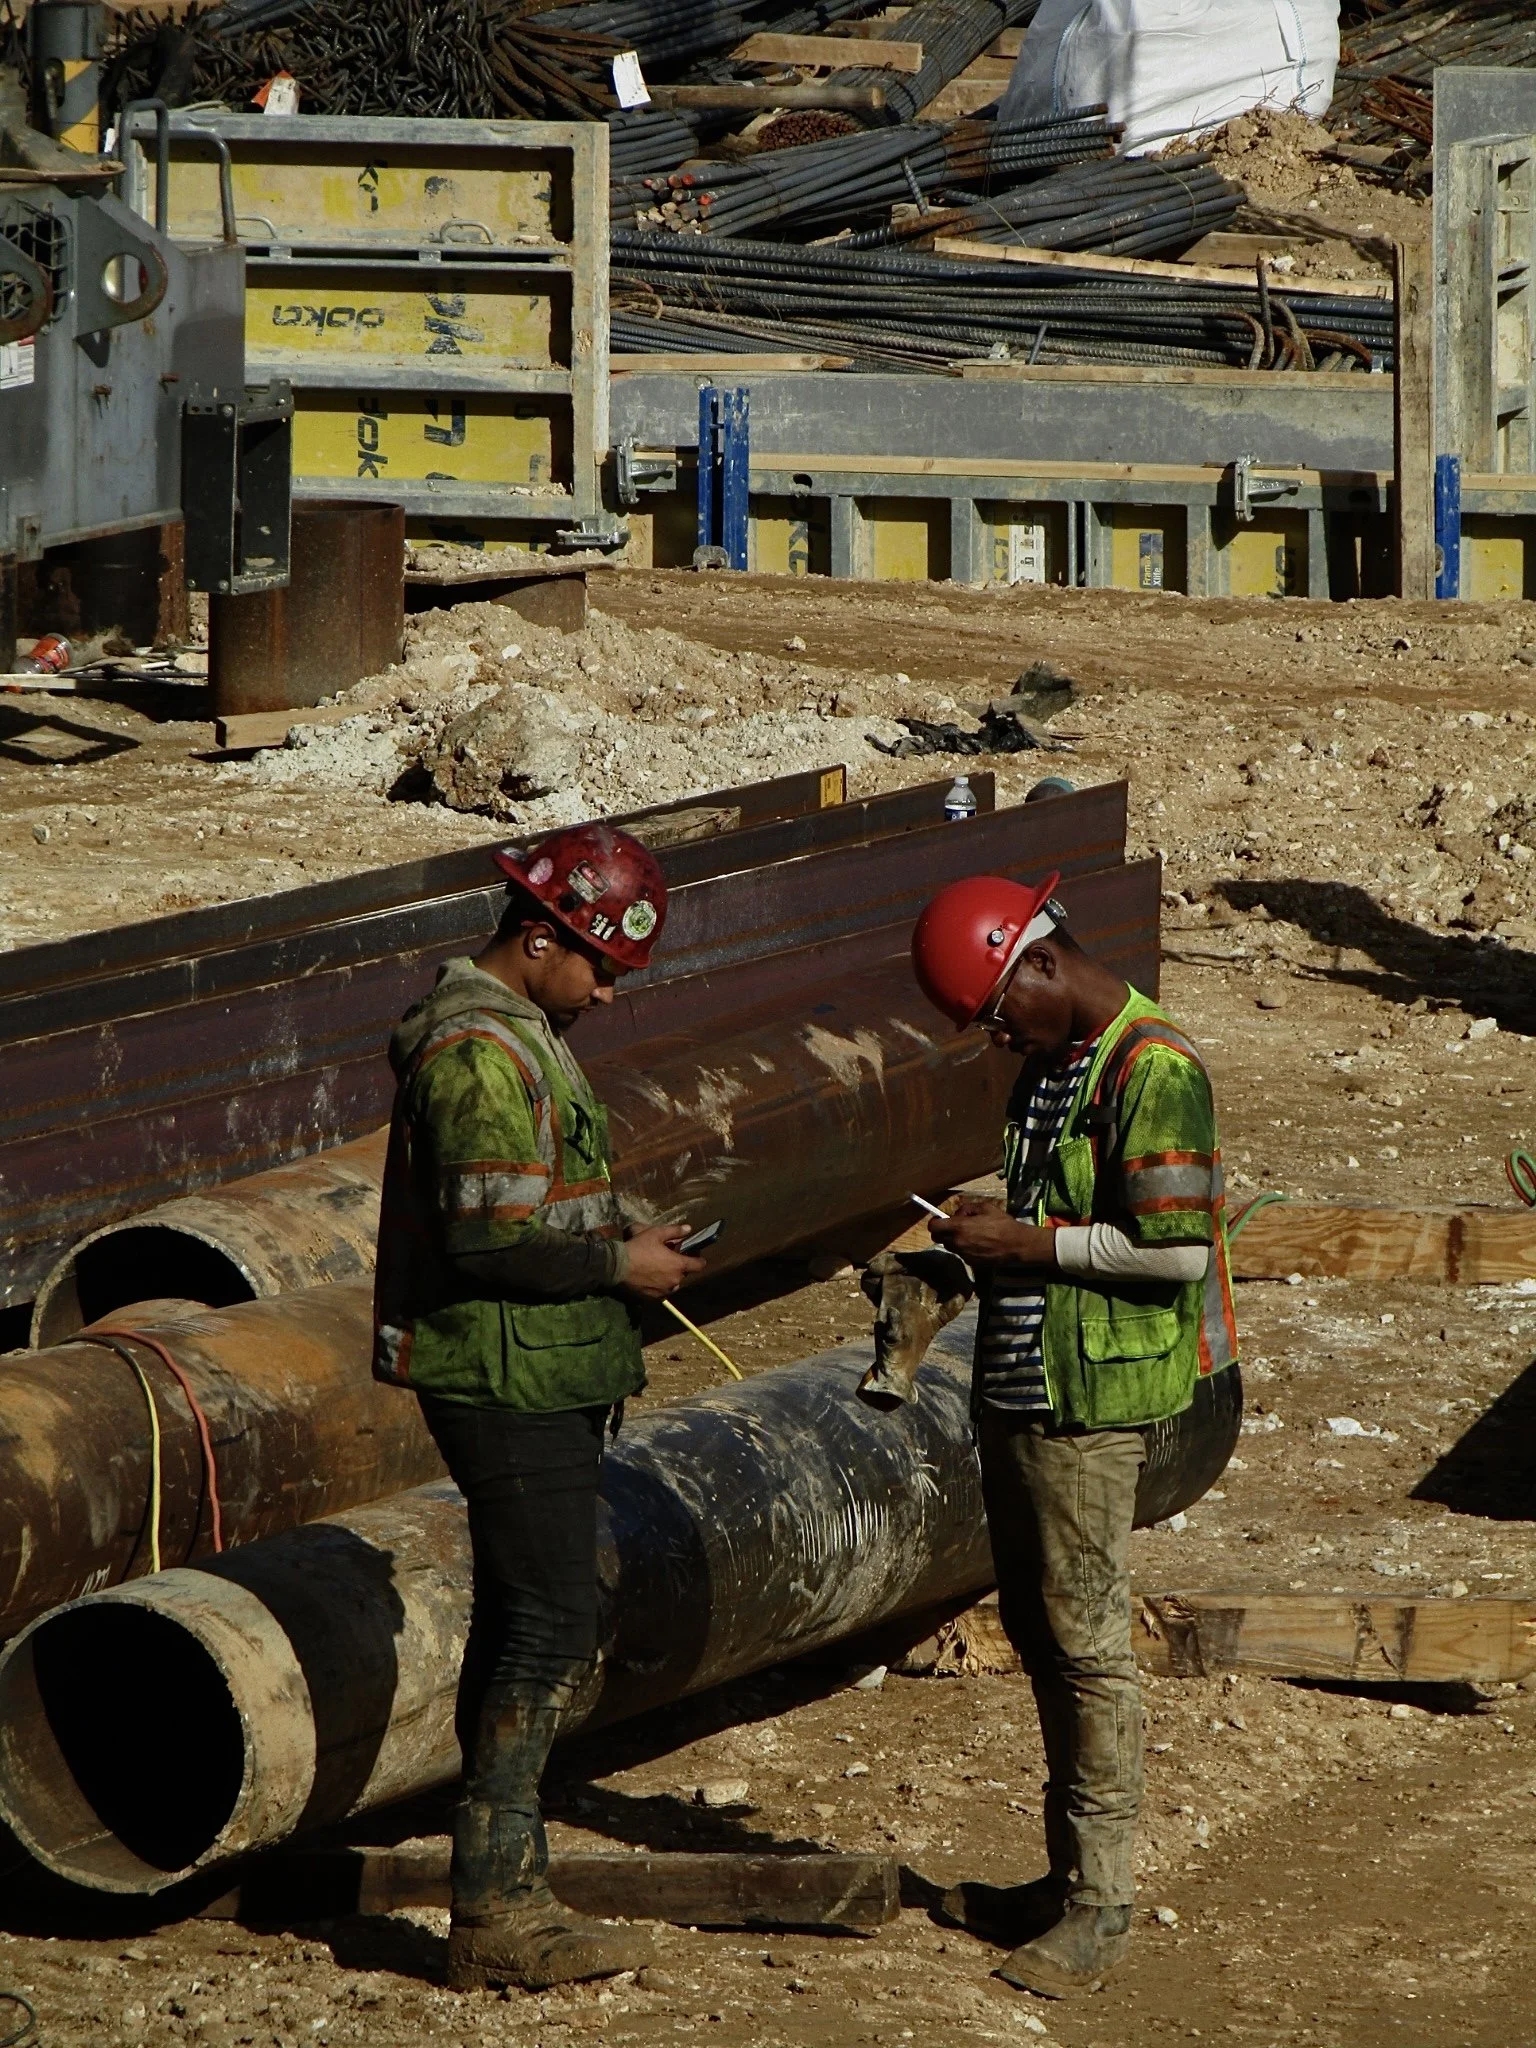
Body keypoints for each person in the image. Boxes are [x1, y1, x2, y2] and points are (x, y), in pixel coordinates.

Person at [372, 822, 706, 1995]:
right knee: (551, 1624)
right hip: (500, 1372)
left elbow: (530, 1209)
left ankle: (502, 1876)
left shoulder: (527, 1034)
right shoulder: (476, 1052)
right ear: (537, 938)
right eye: (602, 967)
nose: (609, 993)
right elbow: (482, 1238)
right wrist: (619, 1269)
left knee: (535, 1615)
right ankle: (498, 1901)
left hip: (540, 1363)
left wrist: (619, 1238)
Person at [909, 870, 1238, 2000]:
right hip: (1025, 1389)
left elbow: (1177, 1251)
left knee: (1089, 1645)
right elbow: (1055, 1215)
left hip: (1091, 1405)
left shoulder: (1158, 1072)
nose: (996, 1033)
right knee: (1046, 1634)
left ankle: (1099, 1902)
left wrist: (1027, 1244)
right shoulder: (1059, 1068)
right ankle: (1061, 1881)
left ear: (1042, 961)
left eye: (1000, 1008)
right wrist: (972, 1239)